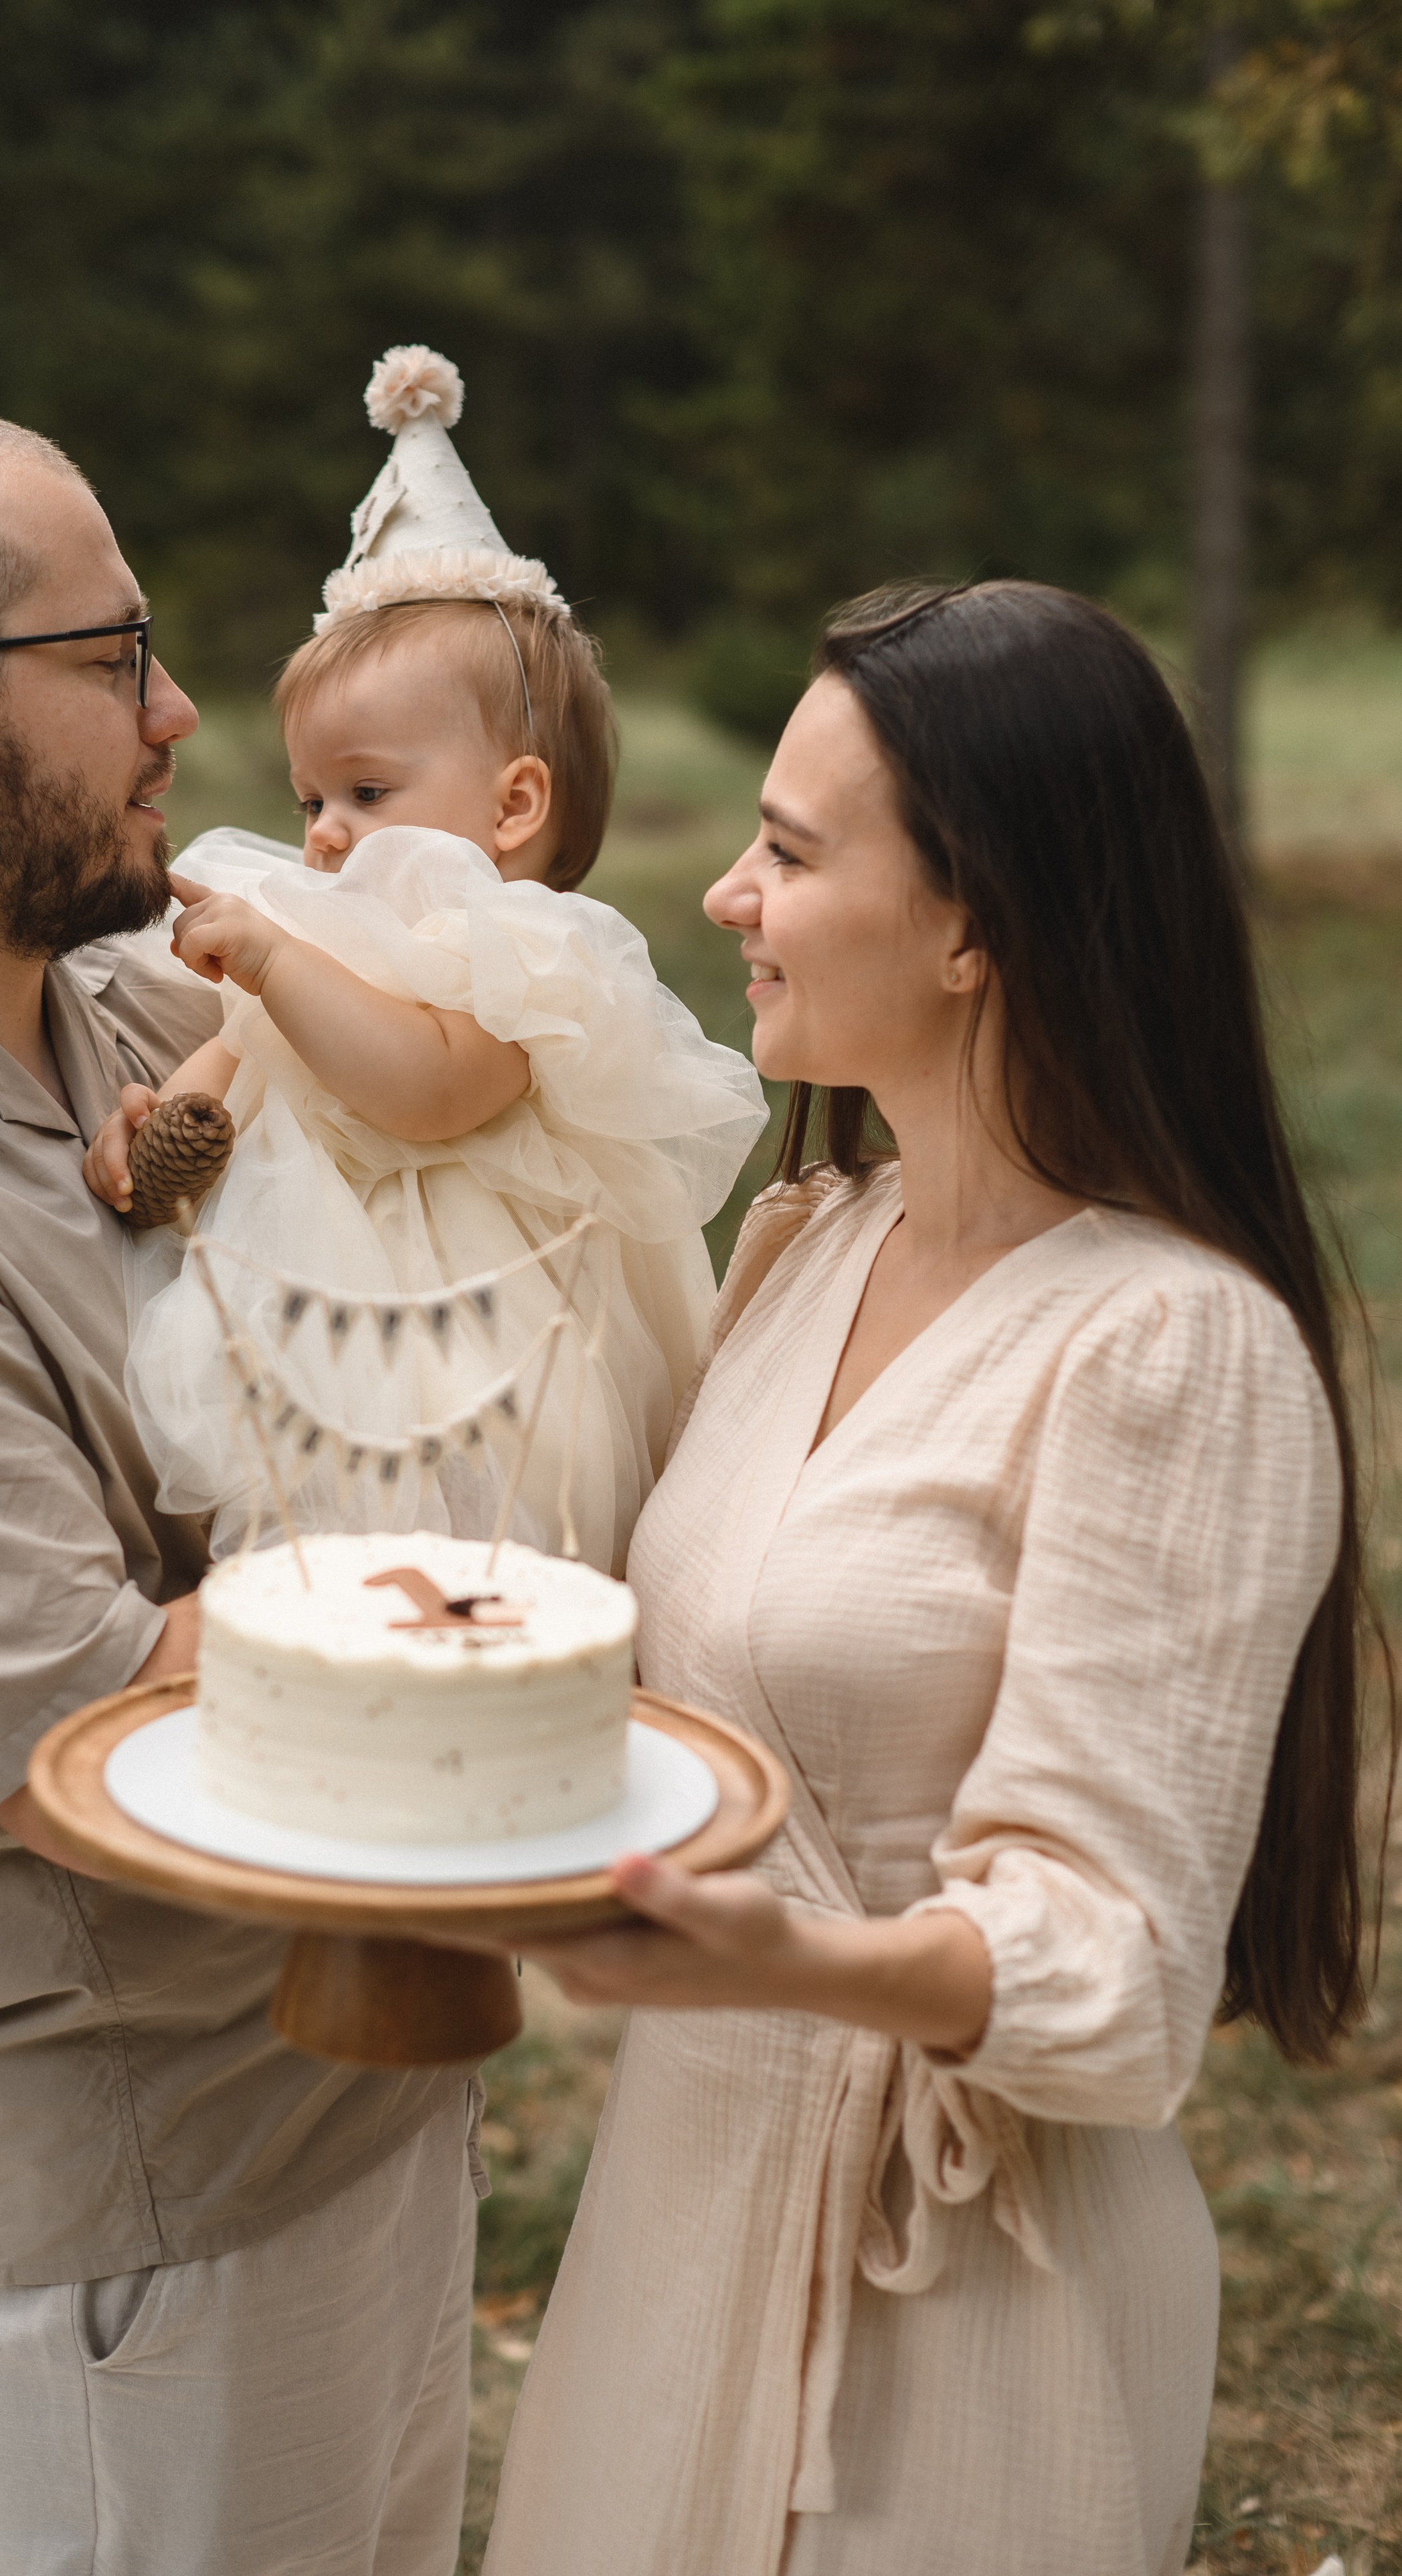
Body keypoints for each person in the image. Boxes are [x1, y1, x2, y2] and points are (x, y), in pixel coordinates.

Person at [479, 582, 1389, 2576]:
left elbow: (1116, 1976)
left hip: (975, 2286)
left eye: (793, 853)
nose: (725, 895)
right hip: (677, 2197)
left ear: (976, 921)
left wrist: (786, 1958)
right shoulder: (810, 1240)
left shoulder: (1169, 1348)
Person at [0, 412, 487, 2576]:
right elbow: (106, 1745)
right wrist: (492, 1530)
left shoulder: (139, 1001)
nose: (180, 712)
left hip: (371, 2097)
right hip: (155, 2232)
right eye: (112, 655)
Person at [88, 347, 766, 1575]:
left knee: (484, 1558)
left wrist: (278, 962)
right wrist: (158, 1133)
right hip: (318, 1323)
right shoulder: (318, 929)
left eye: (367, 791)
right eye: (310, 797)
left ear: (514, 807)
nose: (323, 833)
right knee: (321, 1562)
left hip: (491, 1349)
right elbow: (239, 1057)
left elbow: (435, 1087)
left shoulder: (521, 952)